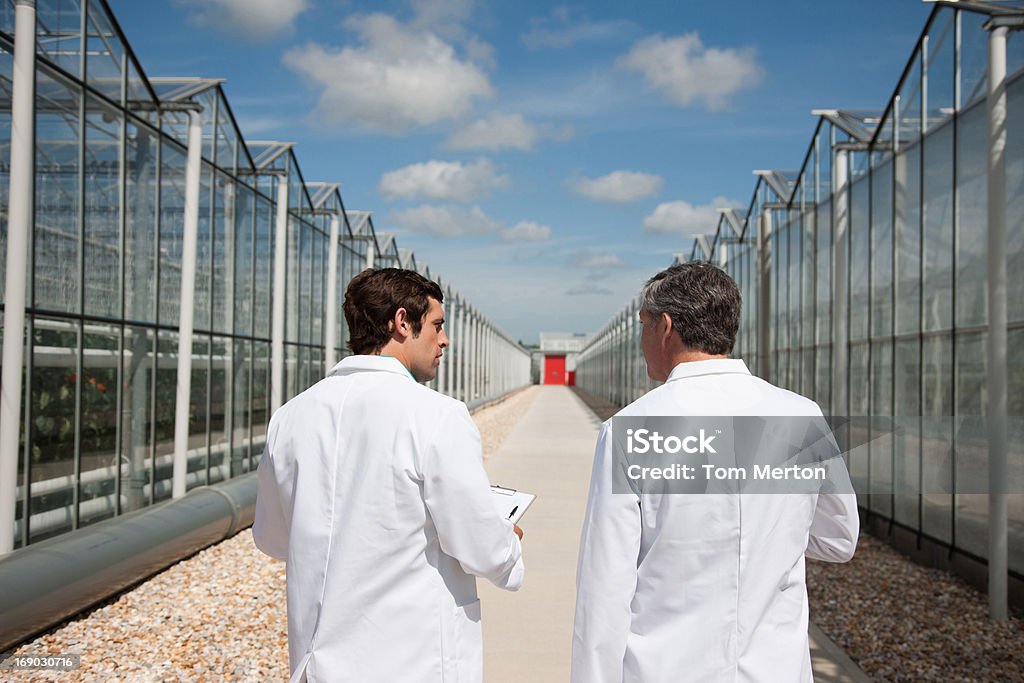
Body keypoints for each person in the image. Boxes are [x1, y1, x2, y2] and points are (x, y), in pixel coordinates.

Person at [571, 262, 859, 682]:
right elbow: (839, 538)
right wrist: (773, 530)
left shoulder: (631, 429)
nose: (641, 341)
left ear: (664, 326)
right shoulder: (801, 416)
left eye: (643, 326)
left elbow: (605, 589)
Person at [253, 267, 524, 683]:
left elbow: (272, 537)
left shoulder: (289, 417)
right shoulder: (436, 415)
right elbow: (480, 547)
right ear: (401, 322)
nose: (445, 340)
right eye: (437, 325)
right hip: (411, 660)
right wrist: (506, 538)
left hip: (316, 662)